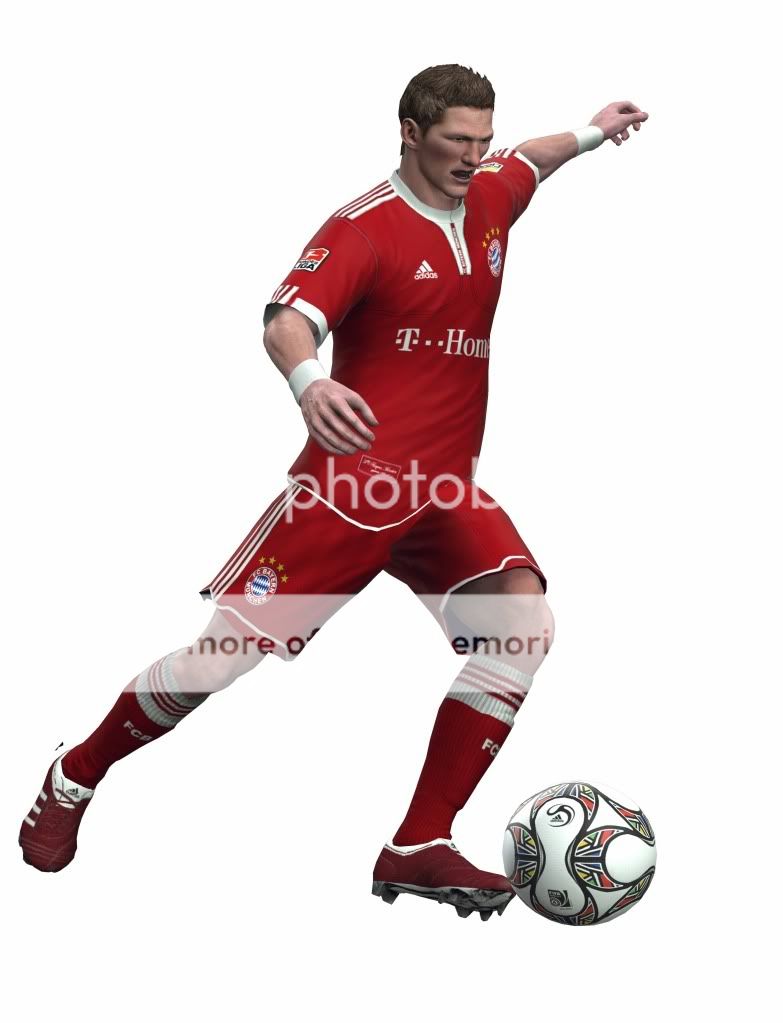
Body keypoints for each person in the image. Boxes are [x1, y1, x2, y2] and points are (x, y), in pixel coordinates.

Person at [19, 64, 647, 920]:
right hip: (348, 493)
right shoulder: (363, 229)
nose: (473, 156)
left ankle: (417, 841)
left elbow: (532, 159)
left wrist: (593, 129)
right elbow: (286, 320)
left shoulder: (492, 193)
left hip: (442, 490)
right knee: (216, 663)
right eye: (455, 140)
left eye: (482, 139)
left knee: (523, 626)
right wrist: (309, 381)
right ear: (409, 134)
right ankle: (77, 771)